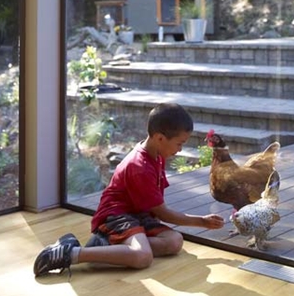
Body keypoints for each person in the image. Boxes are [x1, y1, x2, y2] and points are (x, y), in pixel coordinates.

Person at [33, 103, 224, 276]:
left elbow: (155, 208)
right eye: (179, 144)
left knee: (174, 241)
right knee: (143, 257)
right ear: (159, 138)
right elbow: (163, 213)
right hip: (116, 216)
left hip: (137, 215)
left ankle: (108, 246)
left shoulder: (156, 154)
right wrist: (201, 221)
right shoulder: (140, 167)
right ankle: (71, 253)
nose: (180, 149)